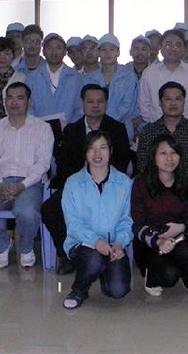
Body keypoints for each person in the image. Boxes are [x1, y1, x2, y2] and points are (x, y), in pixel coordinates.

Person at [42, 84, 132, 274]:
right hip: (77, 186)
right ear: (82, 103)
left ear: (106, 104)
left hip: (109, 186)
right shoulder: (71, 130)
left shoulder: (117, 129)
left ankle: (110, 247)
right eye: (90, 101)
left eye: (100, 101)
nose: (95, 105)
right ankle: (67, 254)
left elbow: (123, 161)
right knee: (50, 208)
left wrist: (101, 174)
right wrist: (81, 182)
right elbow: (63, 162)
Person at [0, 82, 55, 269]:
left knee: (27, 213)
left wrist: (22, 185)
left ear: (28, 101)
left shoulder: (43, 128)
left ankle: (26, 247)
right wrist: (0, 184)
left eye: (20, 97)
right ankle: (2, 245)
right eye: (10, 97)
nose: (14, 102)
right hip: (0, 182)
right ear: (4, 101)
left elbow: (43, 164)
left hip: (30, 184)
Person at [61, 130, 132, 309]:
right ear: (85, 152)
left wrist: (119, 243)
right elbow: (73, 224)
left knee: (118, 290)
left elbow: (127, 221)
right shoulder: (73, 183)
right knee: (94, 260)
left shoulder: (124, 182)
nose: (97, 153)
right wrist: (96, 242)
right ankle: (79, 290)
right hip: (82, 244)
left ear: (111, 151)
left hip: (113, 246)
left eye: (103, 147)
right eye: (92, 148)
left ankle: (100, 271)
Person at [132, 134, 188, 299]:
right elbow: (137, 223)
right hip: (150, 241)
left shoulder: (187, 181)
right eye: (163, 153)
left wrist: (182, 227)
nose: (169, 158)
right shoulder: (141, 182)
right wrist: (157, 240)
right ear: (153, 156)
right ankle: (150, 276)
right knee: (169, 276)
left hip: (178, 236)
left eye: (174, 152)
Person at [136, 82, 188, 181]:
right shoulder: (149, 131)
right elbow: (142, 163)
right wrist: (160, 182)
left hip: (186, 185)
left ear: (184, 102)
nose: (173, 103)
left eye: (177, 99)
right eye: (168, 99)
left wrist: (176, 183)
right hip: (154, 184)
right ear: (160, 103)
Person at [138, 28, 188, 124]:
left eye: (178, 45)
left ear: (184, 49)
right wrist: (155, 125)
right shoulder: (149, 73)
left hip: (187, 127)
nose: (173, 48)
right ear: (161, 47)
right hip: (157, 127)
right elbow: (144, 105)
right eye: (168, 45)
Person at [83, 33, 137, 133]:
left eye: (111, 49)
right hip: (94, 130)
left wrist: (105, 124)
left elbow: (127, 107)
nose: (107, 53)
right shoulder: (90, 78)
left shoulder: (129, 77)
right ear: (98, 53)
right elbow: (86, 104)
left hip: (121, 129)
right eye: (103, 49)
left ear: (118, 52)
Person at [27, 32, 84, 126]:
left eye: (58, 48)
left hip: (69, 130)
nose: (54, 52)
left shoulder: (76, 77)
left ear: (65, 52)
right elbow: (28, 107)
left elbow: (80, 108)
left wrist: (70, 128)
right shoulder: (33, 77)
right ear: (43, 52)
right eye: (49, 48)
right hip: (38, 130)